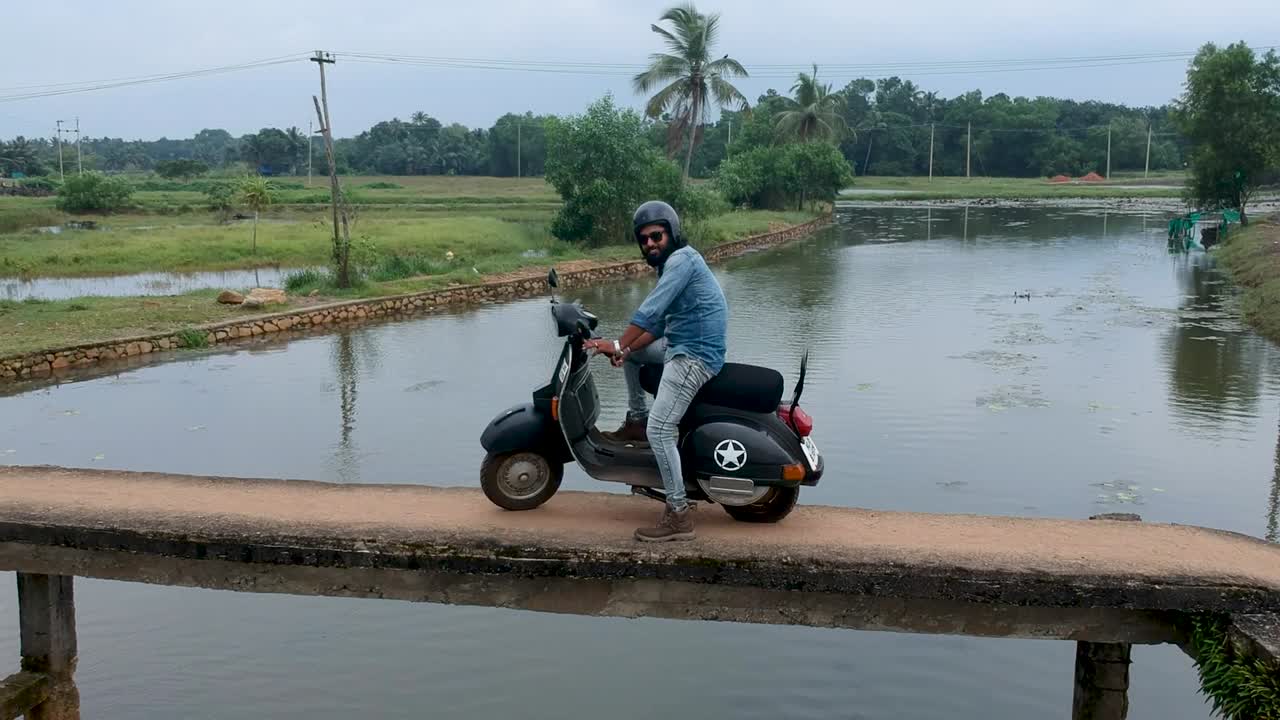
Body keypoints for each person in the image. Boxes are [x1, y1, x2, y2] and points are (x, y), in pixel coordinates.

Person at [584, 200, 727, 542]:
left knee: (661, 431)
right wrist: (628, 349)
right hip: (678, 342)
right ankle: (636, 420)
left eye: (656, 236)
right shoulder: (672, 264)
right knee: (634, 356)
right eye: (644, 239)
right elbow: (662, 324)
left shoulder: (681, 260)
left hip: (695, 353)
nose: (650, 243)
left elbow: (649, 312)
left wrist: (617, 344)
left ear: (672, 233)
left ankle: (678, 514)